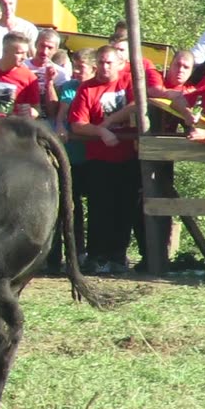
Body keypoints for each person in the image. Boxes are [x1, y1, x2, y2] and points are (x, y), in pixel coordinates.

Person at [68, 45, 140, 274]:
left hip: (128, 157)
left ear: (120, 64)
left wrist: (108, 122)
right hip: (99, 159)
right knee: (99, 209)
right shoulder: (87, 89)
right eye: (100, 62)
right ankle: (96, 256)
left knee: (125, 208)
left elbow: (137, 104)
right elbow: (78, 123)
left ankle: (118, 256)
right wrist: (101, 132)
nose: (104, 67)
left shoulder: (129, 81)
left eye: (109, 62)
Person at [46, 48, 94, 274]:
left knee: (89, 209)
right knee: (67, 206)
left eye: (80, 68)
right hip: (69, 157)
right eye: (74, 66)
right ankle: (54, 257)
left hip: (90, 157)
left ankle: (84, 254)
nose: (75, 71)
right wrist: (59, 126)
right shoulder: (69, 89)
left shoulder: (95, 89)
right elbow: (61, 114)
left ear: (92, 68)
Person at [26, 28, 69, 116]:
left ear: (56, 50)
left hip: (48, 119)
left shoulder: (61, 74)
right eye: (42, 45)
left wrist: (50, 82)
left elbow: (55, 111)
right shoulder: (22, 66)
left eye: (50, 48)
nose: (45, 52)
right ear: (35, 44)